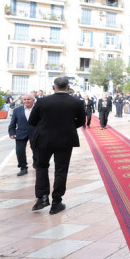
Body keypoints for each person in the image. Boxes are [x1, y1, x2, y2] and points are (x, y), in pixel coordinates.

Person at [27, 76, 86, 214]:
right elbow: (81, 121)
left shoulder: (42, 101)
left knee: (41, 167)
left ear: (54, 87)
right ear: (68, 88)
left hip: (43, 139)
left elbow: (32, 120)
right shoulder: (76, 102)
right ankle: (56, 201)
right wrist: (68, 127)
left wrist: (44, 127)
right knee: (61, 170)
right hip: (65, 140)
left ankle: (42, 197)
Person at [8, 93, 36, 176]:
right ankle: (23, 168)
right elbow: (12, 122)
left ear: (33, 100)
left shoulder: (38, 109)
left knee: (37, 150)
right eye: (25, 99)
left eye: (29, 99)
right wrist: (11, 132)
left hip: (35, 133)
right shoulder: (17, 110)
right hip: (21, 133)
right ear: (22, 100)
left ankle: (36, 163)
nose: (26, 101)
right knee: (19, 151)